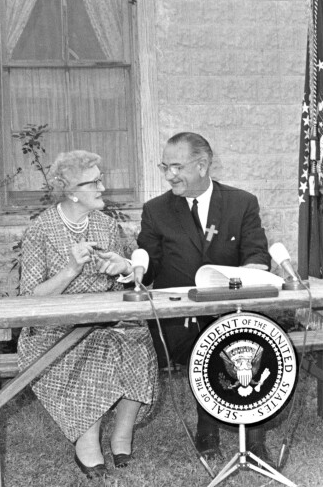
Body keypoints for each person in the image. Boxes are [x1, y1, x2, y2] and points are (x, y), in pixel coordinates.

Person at [18, 150, 158, 479]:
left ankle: (122, 435)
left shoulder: (107, 226)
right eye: (94, 181)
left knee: (138, 338)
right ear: (71, 192)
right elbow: (29, 299)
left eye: (101, 178)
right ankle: (87, 441)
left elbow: (128, 280)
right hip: (53, 330)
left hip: (102, 321)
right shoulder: (41, 230)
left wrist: (123, 269)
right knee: (97, 351)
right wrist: (69, 270)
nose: (102, 187)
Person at [137, 132, 272, 461]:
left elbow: (258, 257)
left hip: (231, 309)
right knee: (208, 343)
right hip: (178, 321)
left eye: (177, 167)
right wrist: (132, 269)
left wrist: (246, 273)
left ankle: (254, 438)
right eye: (165, 167)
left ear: (202, 165)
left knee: (249, 341)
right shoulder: (156, 210)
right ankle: (207, 429)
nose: (170, 175)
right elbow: (149, 268)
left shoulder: (242, 203)